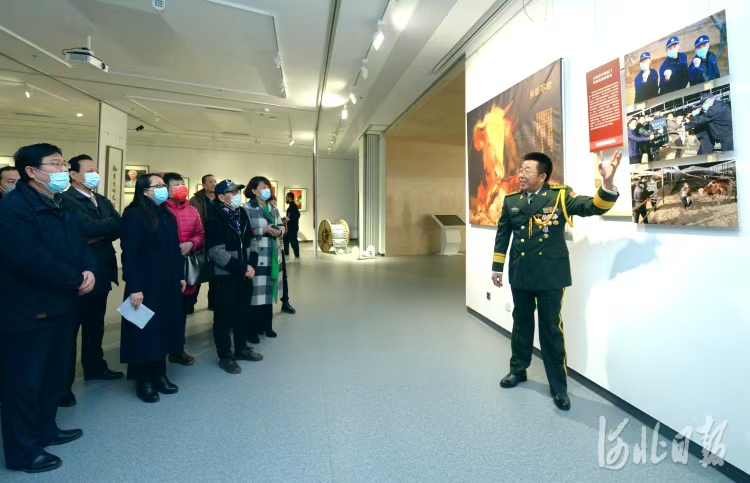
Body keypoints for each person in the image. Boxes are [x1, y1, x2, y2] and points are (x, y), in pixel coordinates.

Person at [491, 151, 622, 411]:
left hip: (550, 275)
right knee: (521, 324)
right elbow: (503, 235)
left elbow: (592, 207)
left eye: (527, 170)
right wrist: (497, 267)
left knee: (551, 329)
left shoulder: (560, 196)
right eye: (520, 169)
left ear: (542, 176)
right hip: (521, 272)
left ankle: (558, 387)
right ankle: (518, 370)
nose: (521, 174)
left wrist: (607, 183)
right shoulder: (511, 200)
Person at [0, 143, 93, 473]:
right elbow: (29, 258)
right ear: (31, 171)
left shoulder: (59, 201)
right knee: (24, 381)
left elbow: (79, 242)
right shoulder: (14, 208)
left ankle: (45, 429)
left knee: (52, 374)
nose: (63, 169)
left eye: (63, 163)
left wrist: (88, 269)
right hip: (28, 308)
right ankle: (23, 452)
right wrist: (73, 278)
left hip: (61, 303)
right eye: (55, 164)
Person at [61, 154, 124, 407]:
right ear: (74, 175)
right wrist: (101, 230)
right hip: (80, 273)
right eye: (90, 170)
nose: (95, 174)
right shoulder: (66, 200)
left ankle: (95, 367)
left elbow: (119, 226)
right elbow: (83, 228)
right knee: (70, 331)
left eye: (96, 170)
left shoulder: (101, 199)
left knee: (95, 326)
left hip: (103, 270)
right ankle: (63, 386)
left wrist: (99, 232)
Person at [120, 173, 186, 403]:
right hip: (145, 283)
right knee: (144, 331)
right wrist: (135, 287)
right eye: (157, 185)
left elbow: (175, 248)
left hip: (167, 282)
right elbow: (129, 253)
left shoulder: (166, 213)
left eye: (163, 185)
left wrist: (180, 276)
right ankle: (143, 380)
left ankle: (160, 374)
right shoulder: (134, 214)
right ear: (144, 190)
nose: (162, 189)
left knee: (163, 328)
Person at [205, 180, 263, 374]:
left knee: (242, 314)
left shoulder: (242, 213)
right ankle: (225, 356)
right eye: (232, 192)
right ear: (222, 197)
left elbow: (253, 241)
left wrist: (251, 265)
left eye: (238, 191)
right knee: (224, 319)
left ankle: (241, 348)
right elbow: (216, 252)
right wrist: (242, 268)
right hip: (226, 277)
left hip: (245, 274)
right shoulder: (214, 218)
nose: (237, 195)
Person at [164, 172, 205, 367]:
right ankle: (157, 349)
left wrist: (191, 243)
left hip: (186, 267)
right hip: (164, 268)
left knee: (181, 312)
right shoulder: (160, 210)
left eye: (182, 184)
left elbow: (200, 234)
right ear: (165, 189)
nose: (180, 188)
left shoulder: (192, 210)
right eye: (175, 185)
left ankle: (177, 350)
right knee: (162, 310)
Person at [243, 177, 285, 343]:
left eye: (268, 187)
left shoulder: (273, 207)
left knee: (268, 291)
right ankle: (252, 330)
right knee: (256, 294)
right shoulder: (247, 208)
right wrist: (263, 229)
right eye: (262, 187)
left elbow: (281, 225)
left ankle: (267, 326)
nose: (266, 190)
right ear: (254, 191)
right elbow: (245, 231)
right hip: (257, 254)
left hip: (273, 254)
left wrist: (279, 231)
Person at [189, 174, 218, 311]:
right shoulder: (195, 200)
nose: (214, 184)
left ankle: (213, 303)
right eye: (210, 182)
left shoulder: (221, 198)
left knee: (215, 274)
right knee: (198, 274)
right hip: (200, 241)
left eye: (215, 181)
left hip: (216, 241)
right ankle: (190, 303)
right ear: (204, 185)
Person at [270, 195, 296, 314]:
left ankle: (285, 301)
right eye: (272, 204)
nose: (274, 206)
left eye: (275, 204)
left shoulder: (276, 212)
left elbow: (282, 230)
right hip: (265, 251)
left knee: (283, 276)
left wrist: (282, 225)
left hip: (278, 249)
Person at [284, 191, 301, 262]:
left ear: (289, 198)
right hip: (289, 227)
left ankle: (297, 255)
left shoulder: (293, 206)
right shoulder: (291, 206)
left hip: (292, 227)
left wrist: (289, 220)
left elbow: (297, 216)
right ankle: (286, 253)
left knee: (293, 241)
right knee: (286, 239)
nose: (286, 198)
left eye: (286, 197)